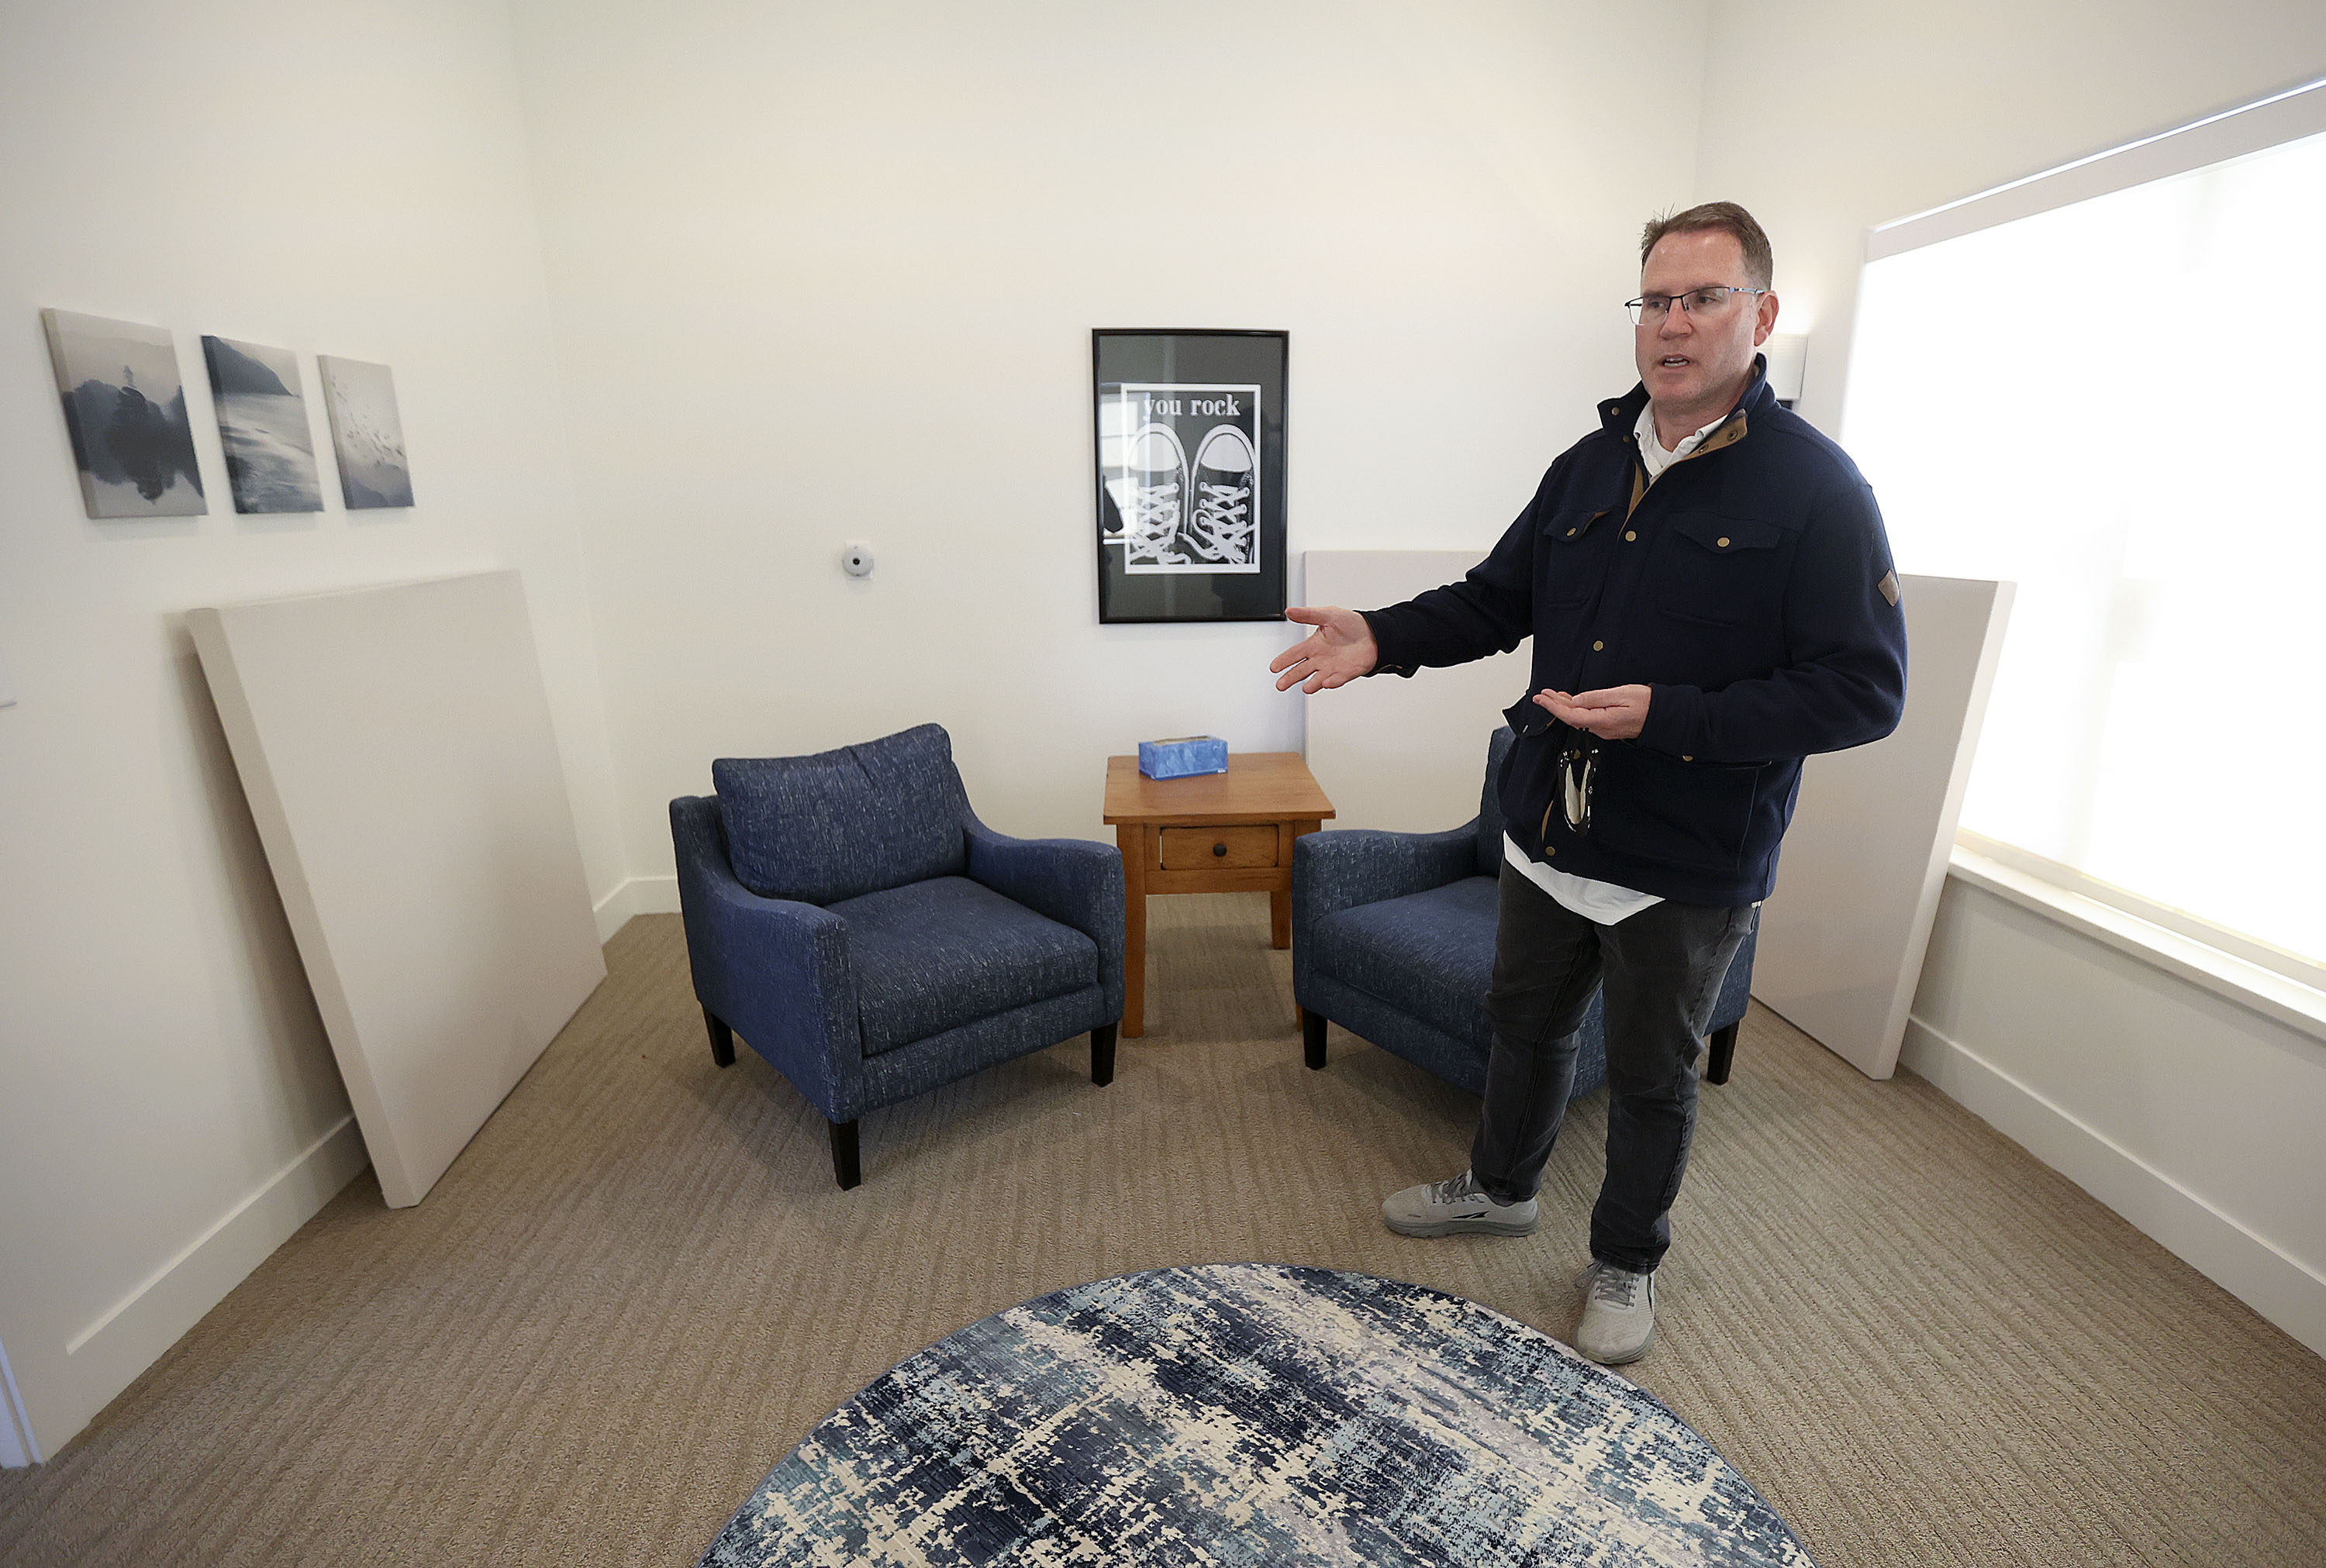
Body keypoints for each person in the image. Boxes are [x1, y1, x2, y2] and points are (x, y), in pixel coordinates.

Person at [1269, 202, 1907, 1366]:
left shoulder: (1819, 490)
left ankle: (1626, 1260)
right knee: (1523, 1024)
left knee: (1656, 1071)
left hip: (1686, 851)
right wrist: (1381, 633)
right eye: (1655, 300)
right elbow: (1492, 599)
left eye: (1703, 298)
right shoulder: (1588, 464)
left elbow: (1864, 693)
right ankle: (1501, 1185)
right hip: (1547, 825)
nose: (1673, 324)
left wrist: (1674, 717)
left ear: (1759, 316)